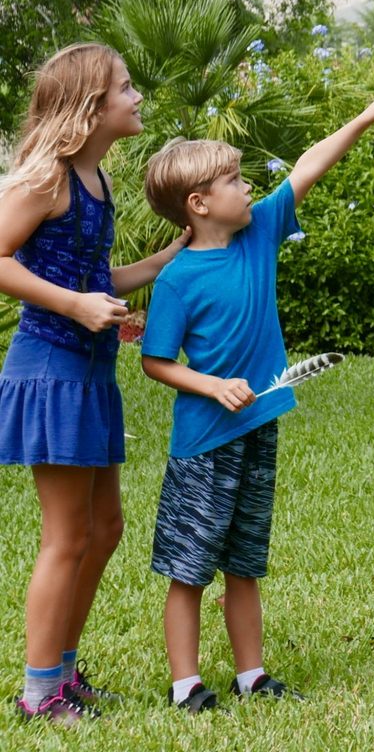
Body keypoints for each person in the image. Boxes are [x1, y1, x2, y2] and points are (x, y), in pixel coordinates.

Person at [140, 71, 374, 713]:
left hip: (258, 428)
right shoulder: (177, 278)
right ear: (199, 203)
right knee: (189, 566)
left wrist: (366, 116)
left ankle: (252, 675)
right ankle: (185, 686)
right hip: (204, 444)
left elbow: (309, 164)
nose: (248, 187)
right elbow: (155, 362)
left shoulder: (260, 231)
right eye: (234, 181)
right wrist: (212, 385)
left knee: (245, 560)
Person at [0, 43, 191, 724]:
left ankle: (63, 673)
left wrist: (171, 256)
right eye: (125, 88)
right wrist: (73, 305)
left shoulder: (97, 179)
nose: (137, 98)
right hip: (50, 368)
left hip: (89, 373)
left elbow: (95, 278)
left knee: (104, 529)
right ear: (91, 106)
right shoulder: (45, 179)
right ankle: (38, 694)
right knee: (66, 537)